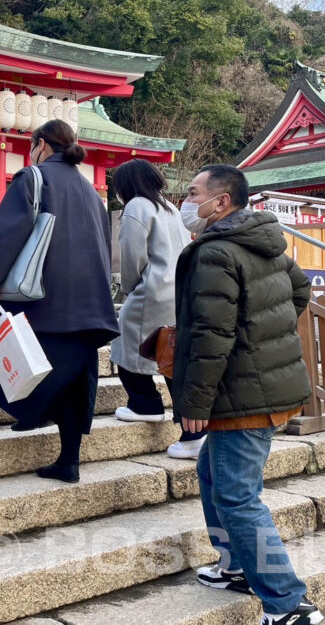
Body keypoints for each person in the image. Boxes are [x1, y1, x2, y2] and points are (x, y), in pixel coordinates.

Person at [173, 165, 322, 625]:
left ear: (221, 202)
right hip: (263, 385)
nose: (186, 200)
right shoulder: (265, 241)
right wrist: (261, 332)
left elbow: (211, 334)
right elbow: (299, 291)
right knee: (213, 474)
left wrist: (193, 404)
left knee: (238, 496)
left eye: (194, 192)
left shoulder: (217, 252)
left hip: (242, 393)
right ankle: (234, 563)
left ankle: (287, 603)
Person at [0, 120, 119, 484]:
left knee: (16, 372)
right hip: (89, 306)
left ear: (41, 144)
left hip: (47, 300)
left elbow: (12, 228)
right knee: (74, 384)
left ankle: (34, 412)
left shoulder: (33, 177)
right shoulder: (90, 189)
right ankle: (67, 461)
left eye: (31, 143)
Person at [108, 160, 203, 458]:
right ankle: (191, 431)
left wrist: (129, 287)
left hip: (151, 290)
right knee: (170, 357)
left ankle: (146, 404)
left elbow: (132, 255)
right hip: (177, 290)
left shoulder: (137, 206)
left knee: (124, 343)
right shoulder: (169, 207)